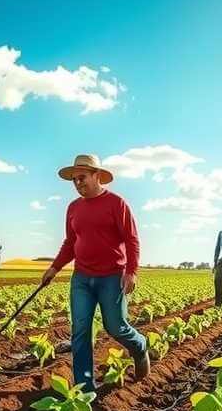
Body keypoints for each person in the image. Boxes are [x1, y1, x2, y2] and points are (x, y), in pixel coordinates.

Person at [40, 154, 149, 391]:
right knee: (79, 331)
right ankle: (85, 388)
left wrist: (131, 271)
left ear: (97, 176)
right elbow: (70, 242)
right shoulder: (73, 208)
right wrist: (54, 267)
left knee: (115, 327)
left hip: (111, 277)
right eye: (74, 180)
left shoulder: (116, 203)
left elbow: (132, 240)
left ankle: (140, 346)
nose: (78, 183)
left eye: (82, 178)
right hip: (81, 278)